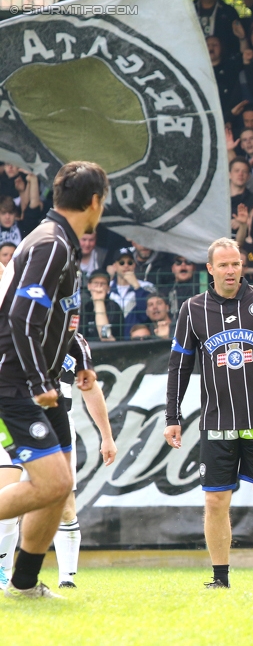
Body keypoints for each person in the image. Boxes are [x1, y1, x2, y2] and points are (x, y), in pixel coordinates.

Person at [0, 161, 107, 599]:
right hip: (16, 383)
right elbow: (21, 319)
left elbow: (51, 319)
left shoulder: (56, 238)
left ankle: (23, 585)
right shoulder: (51, 244)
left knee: (57, 484)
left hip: (25, 379)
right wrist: (39, 381)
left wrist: (73, 353)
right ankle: (22, 584)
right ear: (95, 202)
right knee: (54, 484)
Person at [165, 237, 253, 590]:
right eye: (223, 264)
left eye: (235, 263)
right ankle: (219, 578)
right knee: (215, 501)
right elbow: (179, 366)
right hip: (217, 424)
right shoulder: (192, 309)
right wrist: (171, 416)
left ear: (242, 266)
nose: (230, 270)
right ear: (210, 268)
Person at [50, 333, 117, 589]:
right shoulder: (16, 326)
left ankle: (67, 579)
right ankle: (6, 573)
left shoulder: (73, 340)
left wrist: (107, 436)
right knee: (10, 495)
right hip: (17, 420)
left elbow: (90, 387)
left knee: (65, 503)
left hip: (60, 423)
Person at [108, 247, 155, 338]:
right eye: (121, 263)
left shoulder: (147, 286)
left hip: (137, 339)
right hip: (113, 340)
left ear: (134, 265)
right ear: (115, 266)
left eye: (129, 262)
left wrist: (137, 287)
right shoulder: (107, 288)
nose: (126, 265)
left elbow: (146, 315)